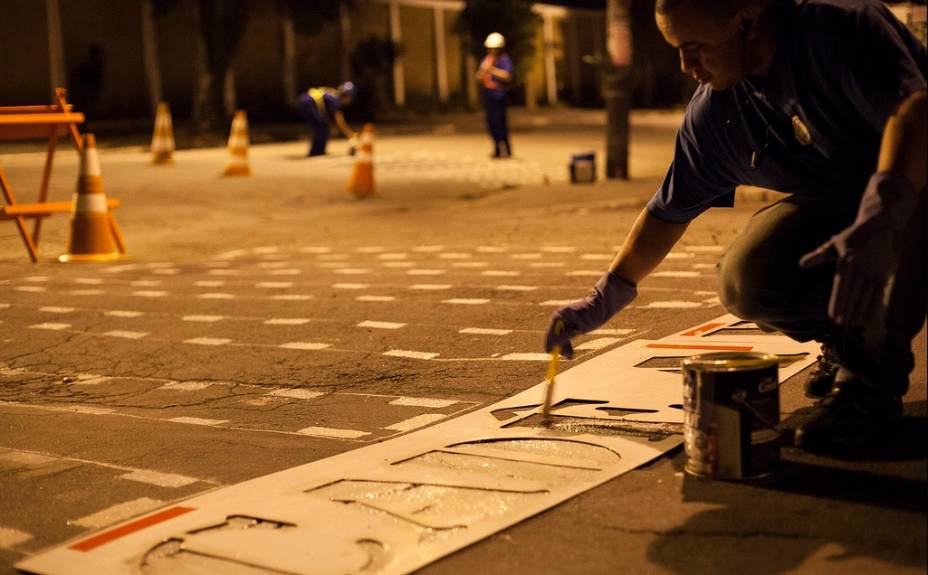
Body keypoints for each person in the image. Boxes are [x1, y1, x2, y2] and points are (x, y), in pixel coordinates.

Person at [545, 0, 926, 456]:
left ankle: (869, 394)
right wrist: (606, 294)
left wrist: (885, 213)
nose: (686, 66)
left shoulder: (839, 30)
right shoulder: (719, 114)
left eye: (695, 47)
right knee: (748, 273)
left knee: (893, 233)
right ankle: (848, 345)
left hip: (914, 186)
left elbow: (916, 112)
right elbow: (667, 215)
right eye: (676, 51)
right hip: (858, 206)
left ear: (745, 20)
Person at [476, 32, 514, 158]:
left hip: (500, 94)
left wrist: (492, 69)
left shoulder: (504, 59)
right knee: (491, 123)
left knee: (500, 123)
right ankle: (497, 149)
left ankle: (507, 149)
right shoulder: (486, 60)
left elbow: (507, 75)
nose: (492, 51)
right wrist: (483, 71)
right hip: (488, 94)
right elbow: (479, 76)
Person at [296, 82, 358, 157]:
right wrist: (349, 133)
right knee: (321, 127)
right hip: (308, 103)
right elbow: (339, 119)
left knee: (323, 125)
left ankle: (319, 151)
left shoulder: (333, 93)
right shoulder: (336, 99)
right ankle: (316, 152)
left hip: (304, 100)